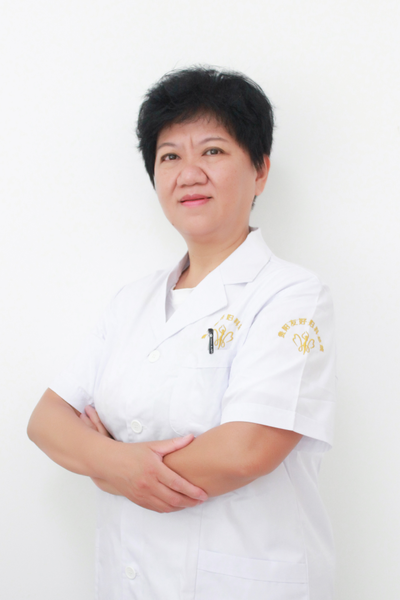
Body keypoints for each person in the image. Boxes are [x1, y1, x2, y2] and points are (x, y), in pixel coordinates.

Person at [28, 66, 336, 600]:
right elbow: (46, 421)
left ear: (260, 170)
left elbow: (244, 451)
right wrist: (113, 463)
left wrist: (104, 464)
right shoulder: (131, 301)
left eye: (212, 151)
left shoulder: (292, 295)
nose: (188, 173)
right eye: (169, 156)